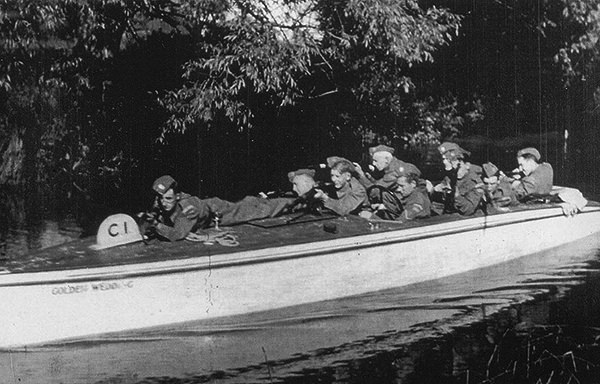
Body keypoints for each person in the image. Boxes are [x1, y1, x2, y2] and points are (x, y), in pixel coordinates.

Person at [144, 175, 293, 241]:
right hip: (209, 209)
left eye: (168, 199)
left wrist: (156, 225)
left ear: (177, 196)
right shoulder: (161, 201)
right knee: (251, 203)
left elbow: (177, 234)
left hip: (219, 212)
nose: (164, 203)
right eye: (161, 198)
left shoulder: (188, 208)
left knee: (259, 210)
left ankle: (299, 201)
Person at [433, 142, 485, 215]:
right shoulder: (450, 177)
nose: (447, 169)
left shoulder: (474, 181)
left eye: (450, 164)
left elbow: (469, 210)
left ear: (460, 163)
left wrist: (457, 196)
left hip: (468, 221)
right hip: (450, 217)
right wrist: (435, 191)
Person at [364, 171, 431, 222]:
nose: (398, 189)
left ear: (413, 184)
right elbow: (399, 209)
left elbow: (400, 223)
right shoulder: (411, 195)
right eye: (398, 186)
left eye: (402, 186)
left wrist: (373, 217)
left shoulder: (417, 200)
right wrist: (385, 207)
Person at [354, 144, 422, 189]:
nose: (374, 164)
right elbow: (382, 184)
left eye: (376, 161)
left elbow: (376, 192)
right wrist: (371, 179)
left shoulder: (394, 171)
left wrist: (361, 175)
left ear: (386, 159)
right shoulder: (397, 165)